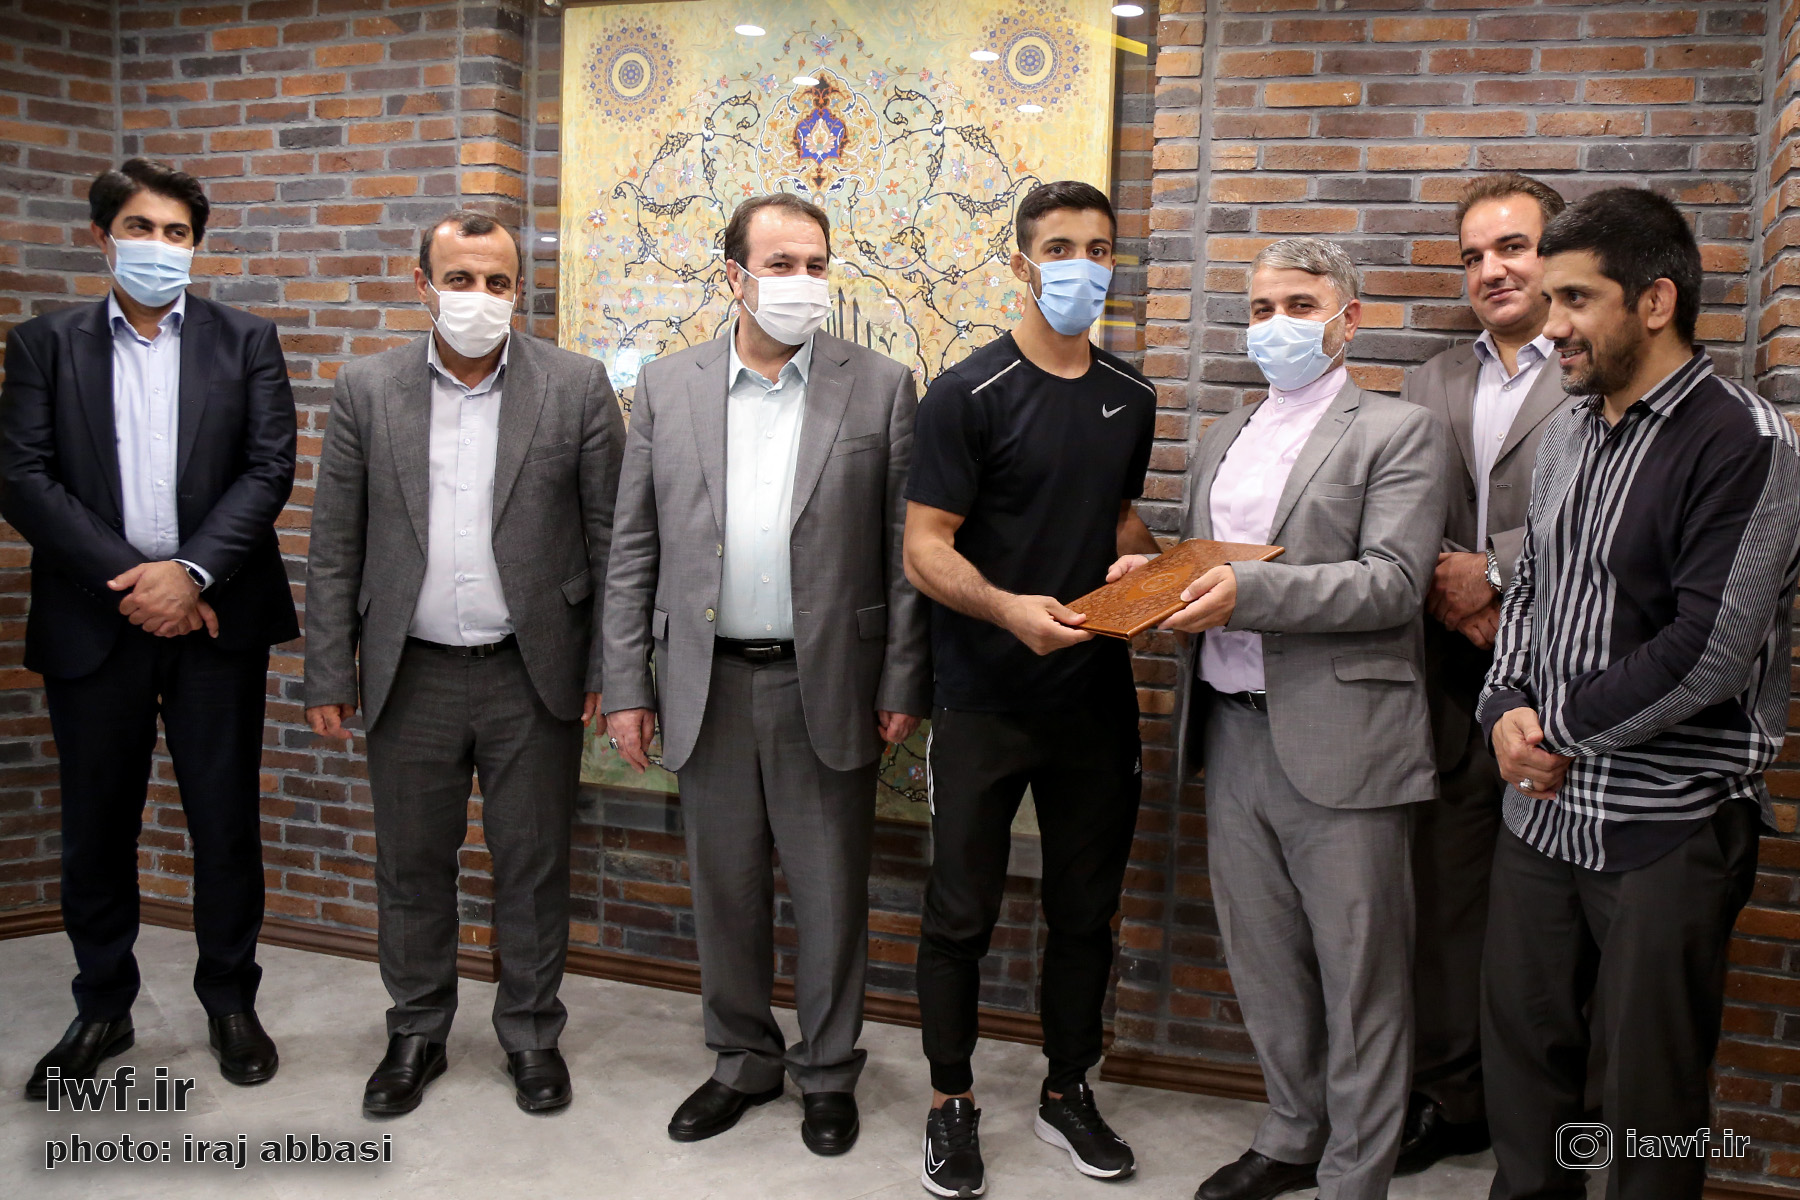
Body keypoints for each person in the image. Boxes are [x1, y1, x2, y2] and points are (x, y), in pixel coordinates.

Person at [1478, 188, 1800, 1200]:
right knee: (1527, 1078)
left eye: (1576, 299)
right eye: (1550, 299)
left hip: (1668, 823)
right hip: (1540, 817)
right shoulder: (1570, 431)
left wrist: (1554, 731)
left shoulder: (1744, 441)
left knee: (1645, 1108)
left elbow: (1711, 651)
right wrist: (1503, 706)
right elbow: (1529, 590)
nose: (1551, 325)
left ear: (1655, 301)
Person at [602, 193, 930, 1156]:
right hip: (706, 682)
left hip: (825, 682)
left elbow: (904, 553)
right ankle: (742, 1059)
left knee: (830, 894)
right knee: (726, 890)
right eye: (781, 264)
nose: (802, 282)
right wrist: (626, 684)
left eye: (816, 264)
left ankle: (827, 1071)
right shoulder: (668, 386)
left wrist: (902, 678)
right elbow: (633, 546)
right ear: (734, 276)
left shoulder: (881, 387)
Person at [303, 209, 624, 1117]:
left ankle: (531, 1033)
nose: (479, 297)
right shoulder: (368, 388)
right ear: (423, 285)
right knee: (411, 865)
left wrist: (608, 667)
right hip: (411, 673)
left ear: (518, 290)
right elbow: (335, 543)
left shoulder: (575, 386)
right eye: (459, 279)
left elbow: (613, 540)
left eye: (497, 282)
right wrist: (329, 671)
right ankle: (416, 1030)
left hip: (534, 669)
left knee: (533, 863)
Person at [1150, 237, 1448, 1200]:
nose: (1276, 325)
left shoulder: (1397, 431)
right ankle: (1290, 1132)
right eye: (1261, 307)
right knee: (1264, 958)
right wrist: (1153, 577)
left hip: (1343, 736)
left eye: (1299, 305)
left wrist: (1249, 593)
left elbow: (1392, 584)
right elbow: (1208, 562)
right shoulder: (1224, 434)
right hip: (1230, 729)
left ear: (1347, 319)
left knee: (1361, 975)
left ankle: (1357, 1172)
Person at [1, 158, 297, 1097]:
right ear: (103, 237)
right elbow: (23, 477)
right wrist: (136, 583)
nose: (160, 247)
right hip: (95, 622)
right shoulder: (44, 345)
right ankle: (102, 1004)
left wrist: (190, 573)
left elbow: (269, 469)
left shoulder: (245, 341)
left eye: (177, 233)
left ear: (196, 245)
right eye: (141, 228)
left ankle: (230, 1000)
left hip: (213, 619)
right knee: (96, 826)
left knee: (224, 822)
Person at [903, 180, 1158, 1197]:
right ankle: (950, 1102)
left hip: (1095, 702)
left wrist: (1152, 566)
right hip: (982, 697)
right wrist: (1008, 609)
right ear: (1020, 262)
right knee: (960, 913)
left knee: (1085, 913)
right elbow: (926, 549)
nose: (1080, 266)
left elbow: (1117, 518)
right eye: (1060, 248)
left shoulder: (1132, 394)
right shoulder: (966, 394)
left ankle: (1066, 1090)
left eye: (1098, 248)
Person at [1393, 172, 1566, 1173]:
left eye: (1513, 247)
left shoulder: (1593, 369)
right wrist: (1449, 586)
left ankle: (1547, 1121)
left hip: (1566, 676)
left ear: (1558, 254)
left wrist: (1493, 571)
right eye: (1472, 256)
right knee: (1448, 904)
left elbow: (1608, 515)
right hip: (1450, 675)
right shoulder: (1431, 381)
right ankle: (1449, 1098)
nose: (1491, 270)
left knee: (1555, 917)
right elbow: (1400, 509)